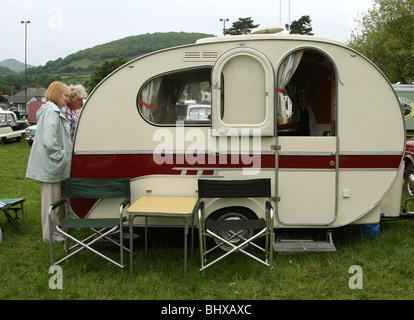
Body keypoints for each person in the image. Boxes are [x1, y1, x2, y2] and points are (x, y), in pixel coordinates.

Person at [26, 81, 72, 242]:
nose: (68, 99)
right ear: (56, 94)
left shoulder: (52, 110)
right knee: (51, 202)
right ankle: (51, 234)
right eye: (65, 95)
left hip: (55, 164)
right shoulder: (51, 112)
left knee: (57, 199)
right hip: (51, 164)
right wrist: (60, 155)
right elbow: (50, 140)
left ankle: (59, 229)